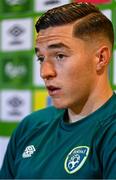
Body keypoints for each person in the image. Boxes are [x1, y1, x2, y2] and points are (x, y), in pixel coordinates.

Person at [0, 2, 116, 179]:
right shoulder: (30, 126)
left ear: (100, 58)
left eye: (60, 56)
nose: (45, 72)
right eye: (41, 58)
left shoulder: (110, 132)